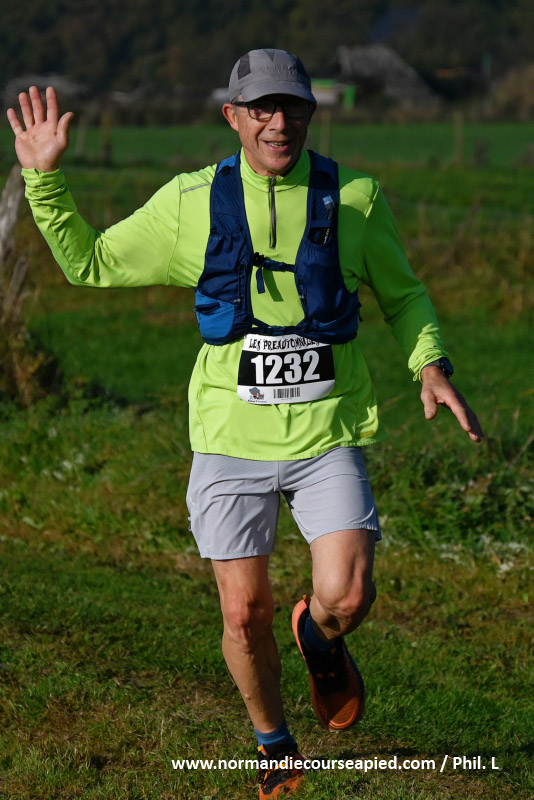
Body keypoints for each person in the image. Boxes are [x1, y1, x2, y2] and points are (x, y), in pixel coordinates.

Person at [7, 48, 483, 799]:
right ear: (233, 116)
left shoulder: (355, 197)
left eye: (291, 106)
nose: (277, 122)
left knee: (348, 594)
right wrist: (44, 179)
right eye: (261, 107)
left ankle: (319, 637)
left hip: (326, 429)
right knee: (243, 612)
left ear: (310, 114)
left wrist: (430, 364)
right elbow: (89, 262)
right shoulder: (190, 201)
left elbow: (404, 294)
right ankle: (275, 746)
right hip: (229, 437)